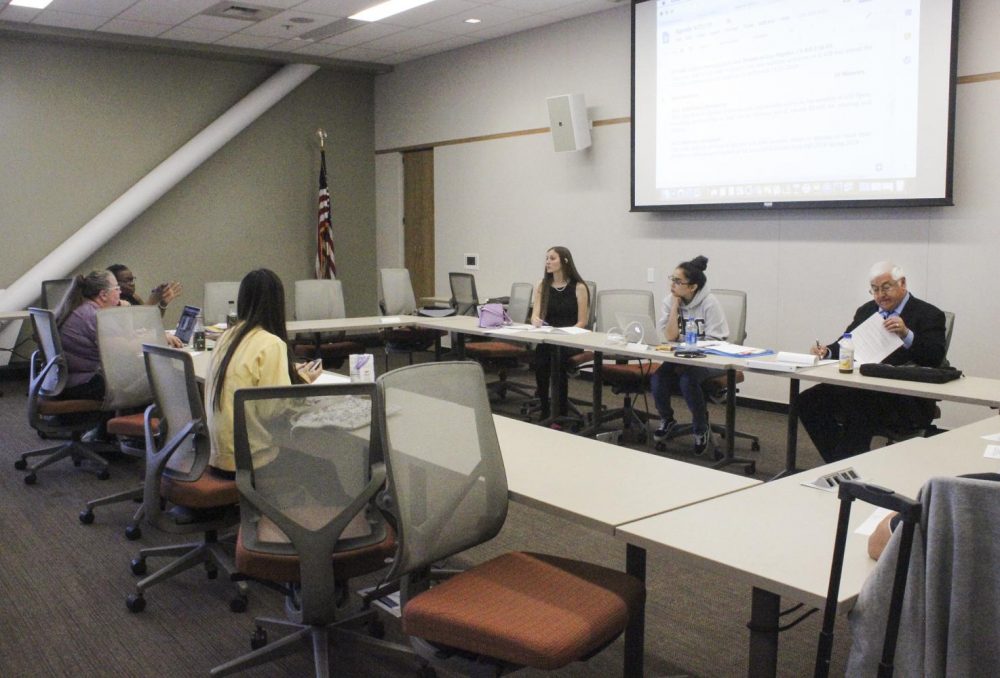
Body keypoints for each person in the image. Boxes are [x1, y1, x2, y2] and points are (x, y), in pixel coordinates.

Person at [799, 261, 947, 463]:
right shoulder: (867, 310)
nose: (880, 295)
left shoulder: (929, 314)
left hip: (904, 395)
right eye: (875, 290)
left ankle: (848, 470)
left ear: (902, 283)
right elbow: (847, 342)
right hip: (862, 386)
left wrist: (906, 334)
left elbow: (934, 357)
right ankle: (842, 464)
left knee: (859, 406)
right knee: (808, 401)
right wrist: (826, 351)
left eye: (886, 288)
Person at [205, 269, 322, 476]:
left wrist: (288, 373)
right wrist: (303, 380)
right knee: (324, 468)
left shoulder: (226, 337)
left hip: (217, 456)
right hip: (251, 462)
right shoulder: (271, 343)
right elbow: (273, 410)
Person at [650, 255, 729, 455]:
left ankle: (701, 428)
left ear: (692, 287)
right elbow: (669, 337)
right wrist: (676, 307)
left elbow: (716, 340)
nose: (672, 285)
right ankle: (667, 419)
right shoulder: (670, 301)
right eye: (672, 279)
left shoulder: (709, 303)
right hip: (680, 356)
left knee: (688, 380)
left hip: (709, 359)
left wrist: (689, 347)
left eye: (678, 281)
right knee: (658, 377)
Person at [530, 246, 590, 420]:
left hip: (570, 340)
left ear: (564, 261)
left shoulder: (579, 287)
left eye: (552, 258)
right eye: (546, 258)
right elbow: (536, 313)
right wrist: (535, 320)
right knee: (541, 358)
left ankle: (560, 410)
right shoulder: (543, 285)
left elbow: (582, 321)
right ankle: (545, 407)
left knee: (558, 359)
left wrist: (567, 334)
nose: (548, 262)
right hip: (548, 337)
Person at [58, 270, 123, 402]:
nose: (120, 292)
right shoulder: (93, 315)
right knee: (147, 382)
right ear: (103, 295)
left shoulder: (83, 309)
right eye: (117, 288)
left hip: (66, 379)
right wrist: (159, 338)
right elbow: (123, 348)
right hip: (83, 383)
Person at [108, 263, 182, 314]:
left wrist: (163, 303)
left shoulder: (134, 297)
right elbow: (137, 324)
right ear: (115, 283)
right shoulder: (113, 302)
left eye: (132, 280)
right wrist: (152, 300)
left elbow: (150, 321)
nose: (132, 284)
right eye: (127, 280)